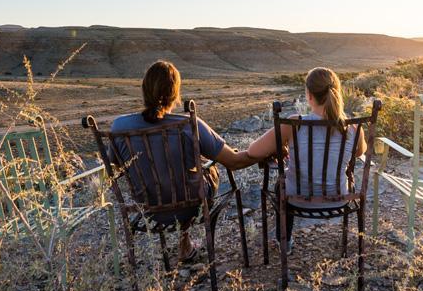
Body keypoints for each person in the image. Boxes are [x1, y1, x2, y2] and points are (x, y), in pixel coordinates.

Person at [109, 60, 255, 262]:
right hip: (191, 206)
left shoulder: (119, 127)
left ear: (144, 90)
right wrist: (265, 151)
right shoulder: (188, 124)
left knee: (168, 176)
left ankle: (183, 245)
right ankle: (184, 244)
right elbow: (234, 162)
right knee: (207, 169)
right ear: (175, 93)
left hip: (148, 208)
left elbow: (116, 167)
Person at [247, 67, 366, 251]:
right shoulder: (353, 128)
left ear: (309, 96)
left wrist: (284, 147)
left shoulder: (294, 124)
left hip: (297, 199)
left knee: (281, 185)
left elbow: (253, 151)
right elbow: (359, 153)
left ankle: (284, 241)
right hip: (339, 198)